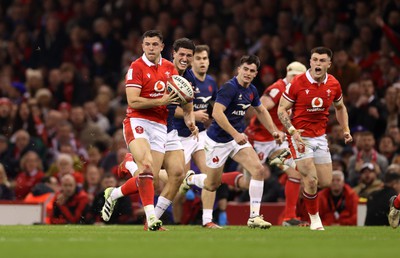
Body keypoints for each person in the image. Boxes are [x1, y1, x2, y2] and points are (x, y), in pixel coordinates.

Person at [181, 55, 285, 229]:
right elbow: (217, 113)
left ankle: (254, 217)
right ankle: (191, 180)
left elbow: (260, 110)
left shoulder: (251, 90)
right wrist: (236, 134)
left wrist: (274, 130)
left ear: (255, 74)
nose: (248, 73)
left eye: (252, 71)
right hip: (217, 142)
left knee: (258, 170)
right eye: (245, 69)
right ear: (239, 69)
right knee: (211, 184)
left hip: (236, 140)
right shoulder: (229, 88)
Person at [100, 30, 180, 231]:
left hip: (160, 126)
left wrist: (189, 114)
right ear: (142, 46)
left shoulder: (171, 68)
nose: (151, 48)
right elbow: (133, 100)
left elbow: (180, 96)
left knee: (148, 177)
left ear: (162, 47)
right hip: (138, 121)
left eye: (155, 44)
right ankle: (151, 219)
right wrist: (160, 100)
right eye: (147, 44)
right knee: (146, 166)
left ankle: (115, 193)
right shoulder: (136, 67)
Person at [277, 46, 353, 230]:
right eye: (315, 60)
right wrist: (292, 130)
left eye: (322, 61)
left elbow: (340, 107)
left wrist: (345, 129)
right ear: (310, 62)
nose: (318, 63)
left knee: (325, 182)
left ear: (329, 64)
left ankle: (288, 161)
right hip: (299, 137)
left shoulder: (333, 84)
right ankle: (315, 220)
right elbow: (281, 110)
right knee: (310, 180)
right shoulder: (297, 83)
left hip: (320, 137)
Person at [245, 61, 307, 226]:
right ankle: (209, 178)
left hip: (276, 142)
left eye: (298, 76)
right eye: (292, 75)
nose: (294, 79)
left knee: (295, 173)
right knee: (246, 183)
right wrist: (274, 130)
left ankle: (289, 217)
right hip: (257, 140)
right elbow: (260, 110)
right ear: (287, 74)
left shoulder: (298, 92)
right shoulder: (277, 89)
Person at [173, 44, 221, 228]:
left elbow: (217, 107)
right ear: (192, 60)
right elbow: (171, 108)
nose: (202, 62)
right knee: (179, 182)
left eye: (205, 58)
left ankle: (207, 220)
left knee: (210, 177)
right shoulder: (182, 79)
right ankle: (177, 222)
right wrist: (195, 115)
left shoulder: (210, 82)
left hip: (199, 134)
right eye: (198, 58)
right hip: (178, 136)